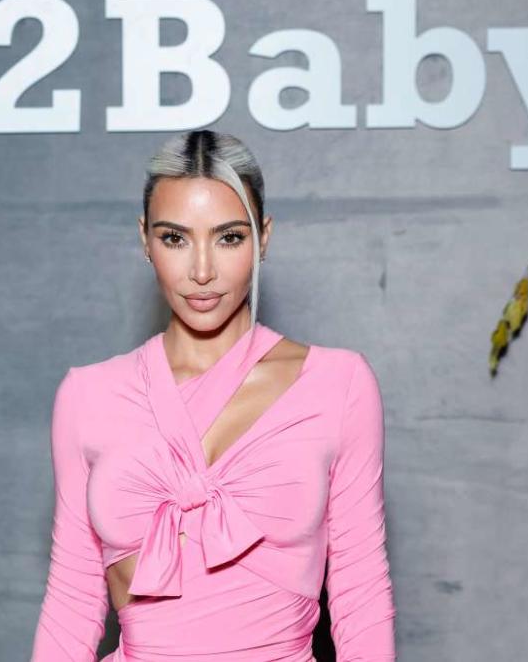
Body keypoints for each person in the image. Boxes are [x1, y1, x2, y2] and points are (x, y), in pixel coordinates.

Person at [29, 130, 396, 661]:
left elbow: (361, 594)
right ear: (145, 239)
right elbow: (72, 600)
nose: (202, 271)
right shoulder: (88, 396)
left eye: (228, 237)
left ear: (263, 237)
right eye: (175, 238)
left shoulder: (338, 384)